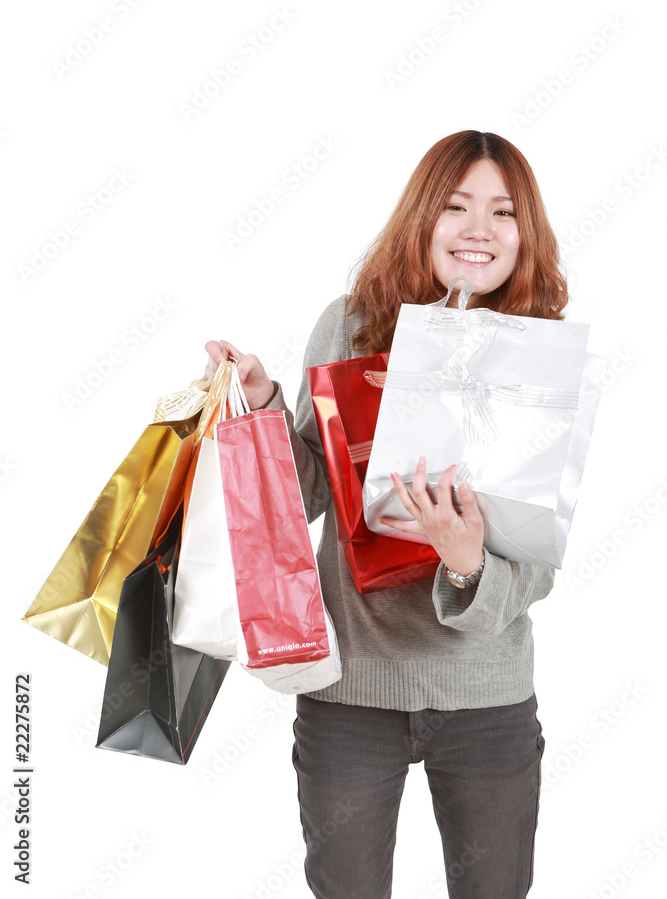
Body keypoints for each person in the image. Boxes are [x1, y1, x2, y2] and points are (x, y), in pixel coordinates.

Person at [204, 131, 568, 899]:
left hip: (485, 699)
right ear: (421, 216)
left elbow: (533, 572)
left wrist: (466, 559)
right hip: (350, 695)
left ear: (522, 233)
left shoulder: (540, 359)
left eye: (502, 212)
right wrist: (265, 406)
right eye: (455, 205)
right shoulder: (349, 324)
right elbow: (305, 499)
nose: (478, 229)